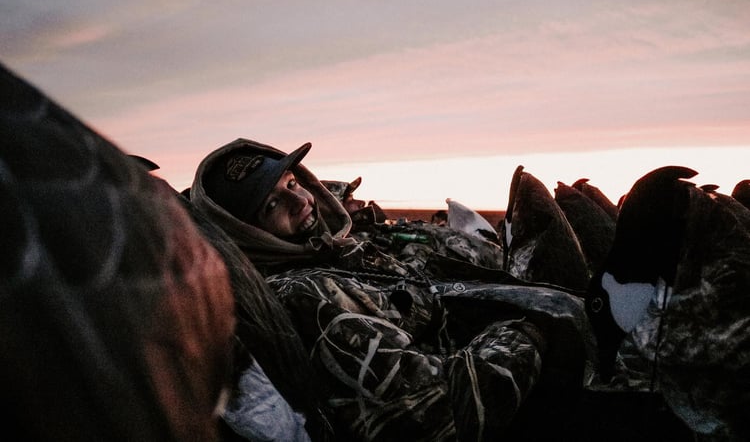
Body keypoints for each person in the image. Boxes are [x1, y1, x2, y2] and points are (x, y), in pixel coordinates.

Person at [191, 138, 592, 441]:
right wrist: (534, 326)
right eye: (272, 205)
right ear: (243, 233)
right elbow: (442, 407)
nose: (299, 200)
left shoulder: (335, 257)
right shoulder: (307, 294)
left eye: (293, 182)